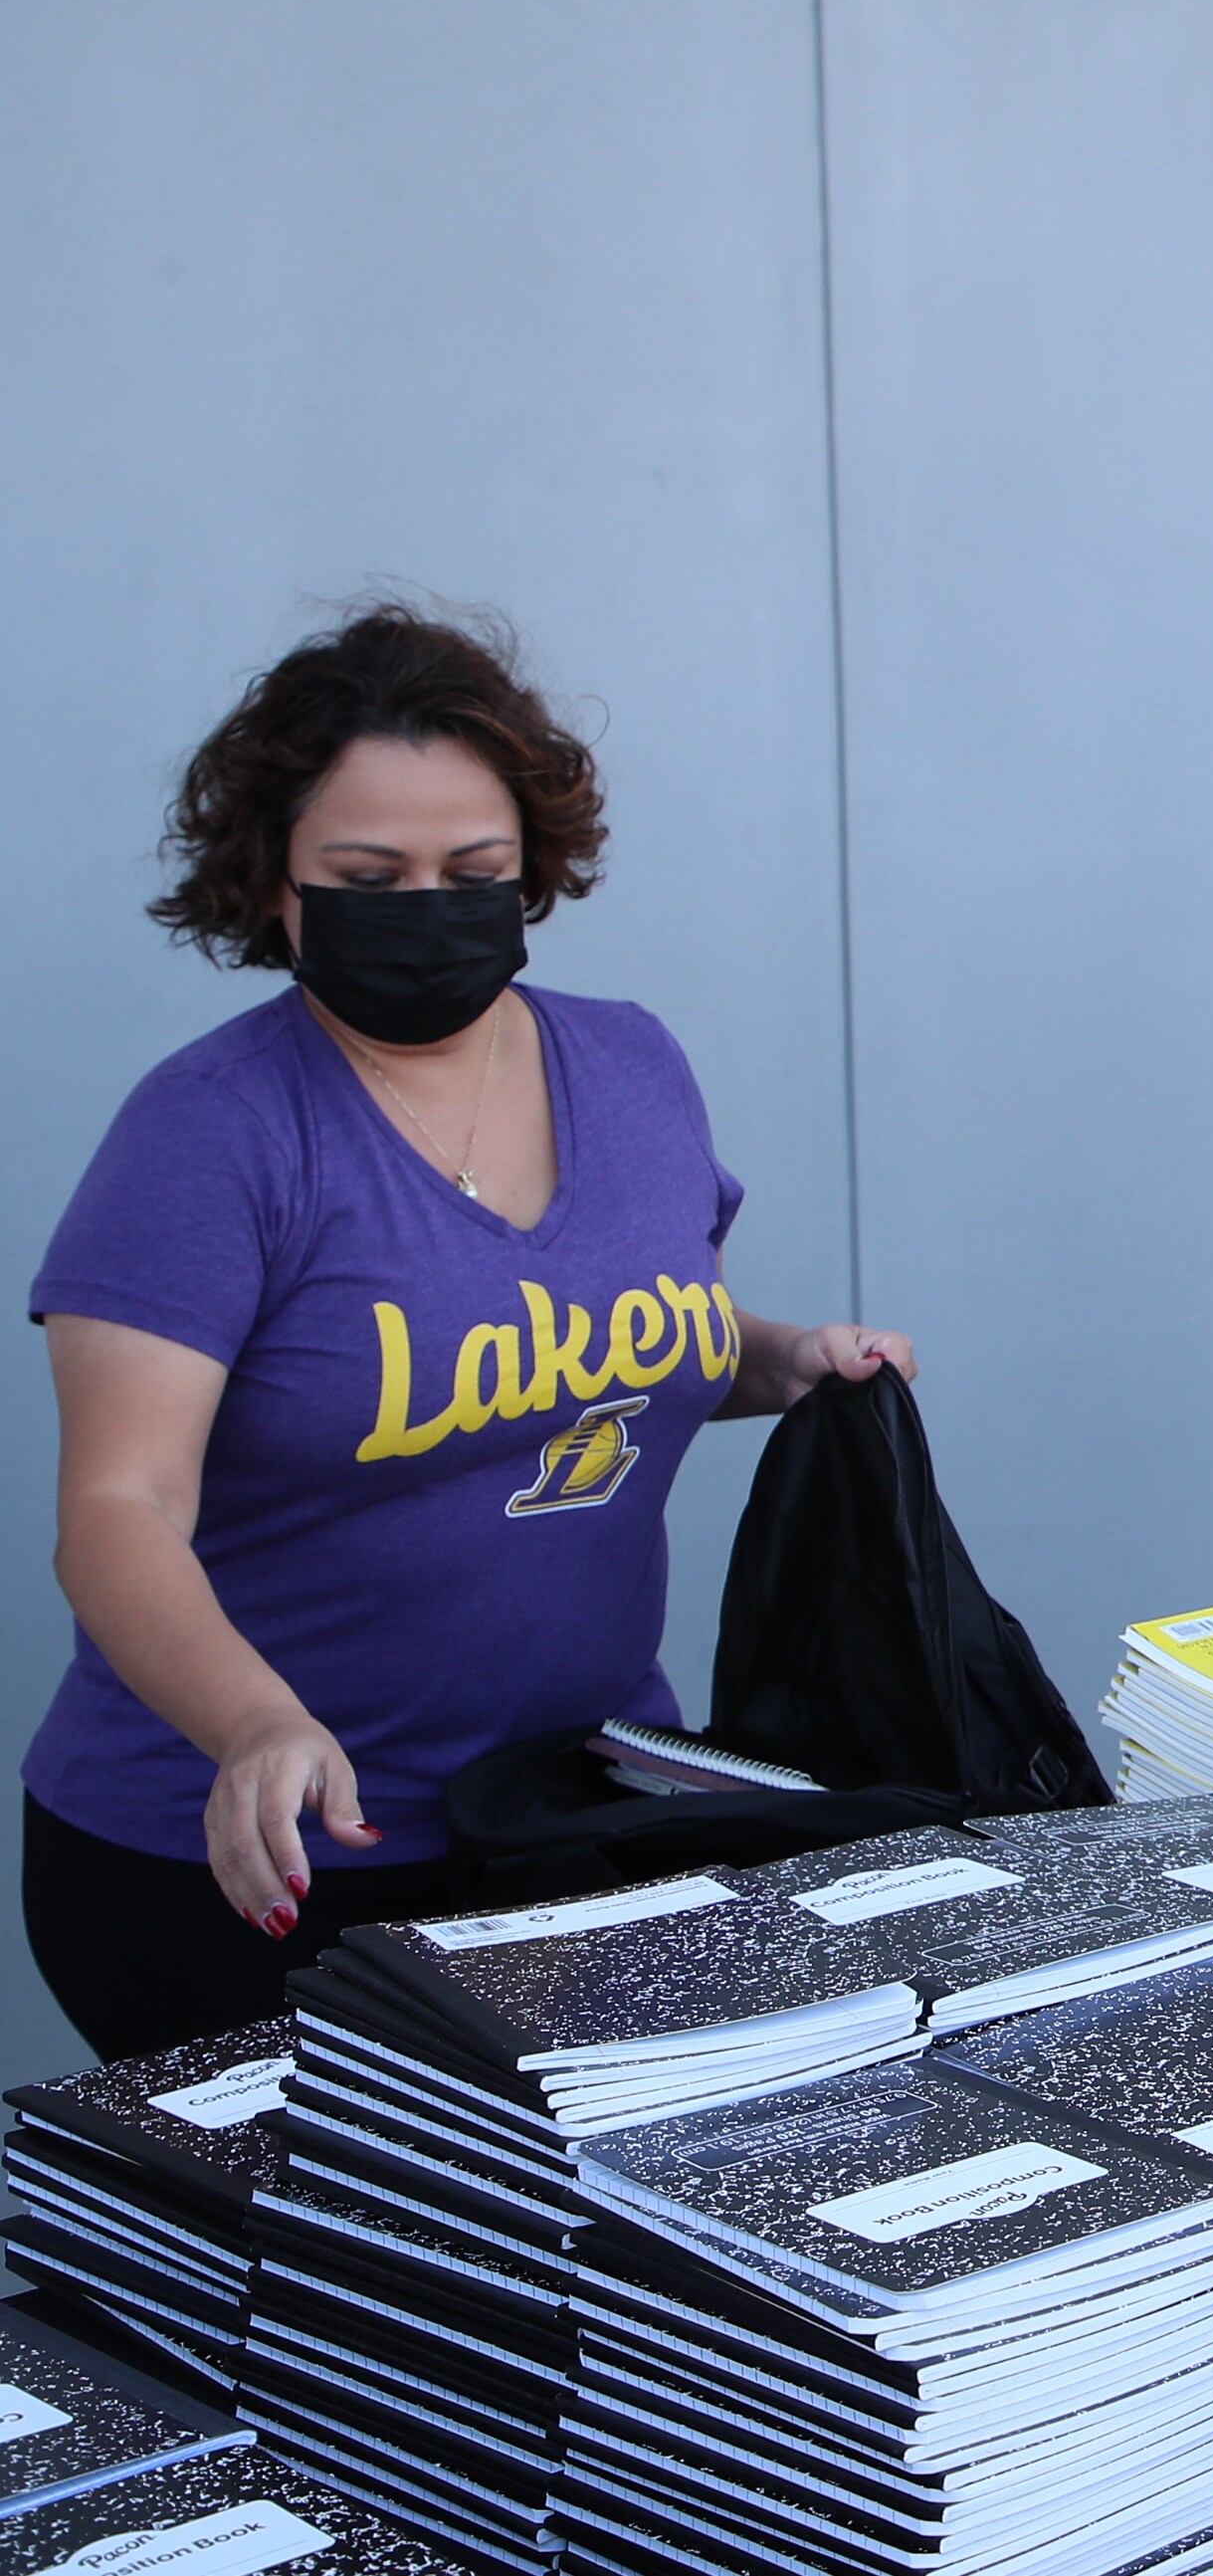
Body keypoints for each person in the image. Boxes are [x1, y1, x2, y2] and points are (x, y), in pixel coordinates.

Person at [28, 605, 917, 2060]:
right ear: (273, 886)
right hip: (268, 1867)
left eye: (473, 872)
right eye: (369, 877)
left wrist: (789, 1359)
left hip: (576, 1831)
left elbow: (631, 1343)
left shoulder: (631, 1066)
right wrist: (255, 1723)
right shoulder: (209, 1135)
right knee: (346, 2284)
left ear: (534, 868)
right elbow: (118, 1506)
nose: (426, 904)